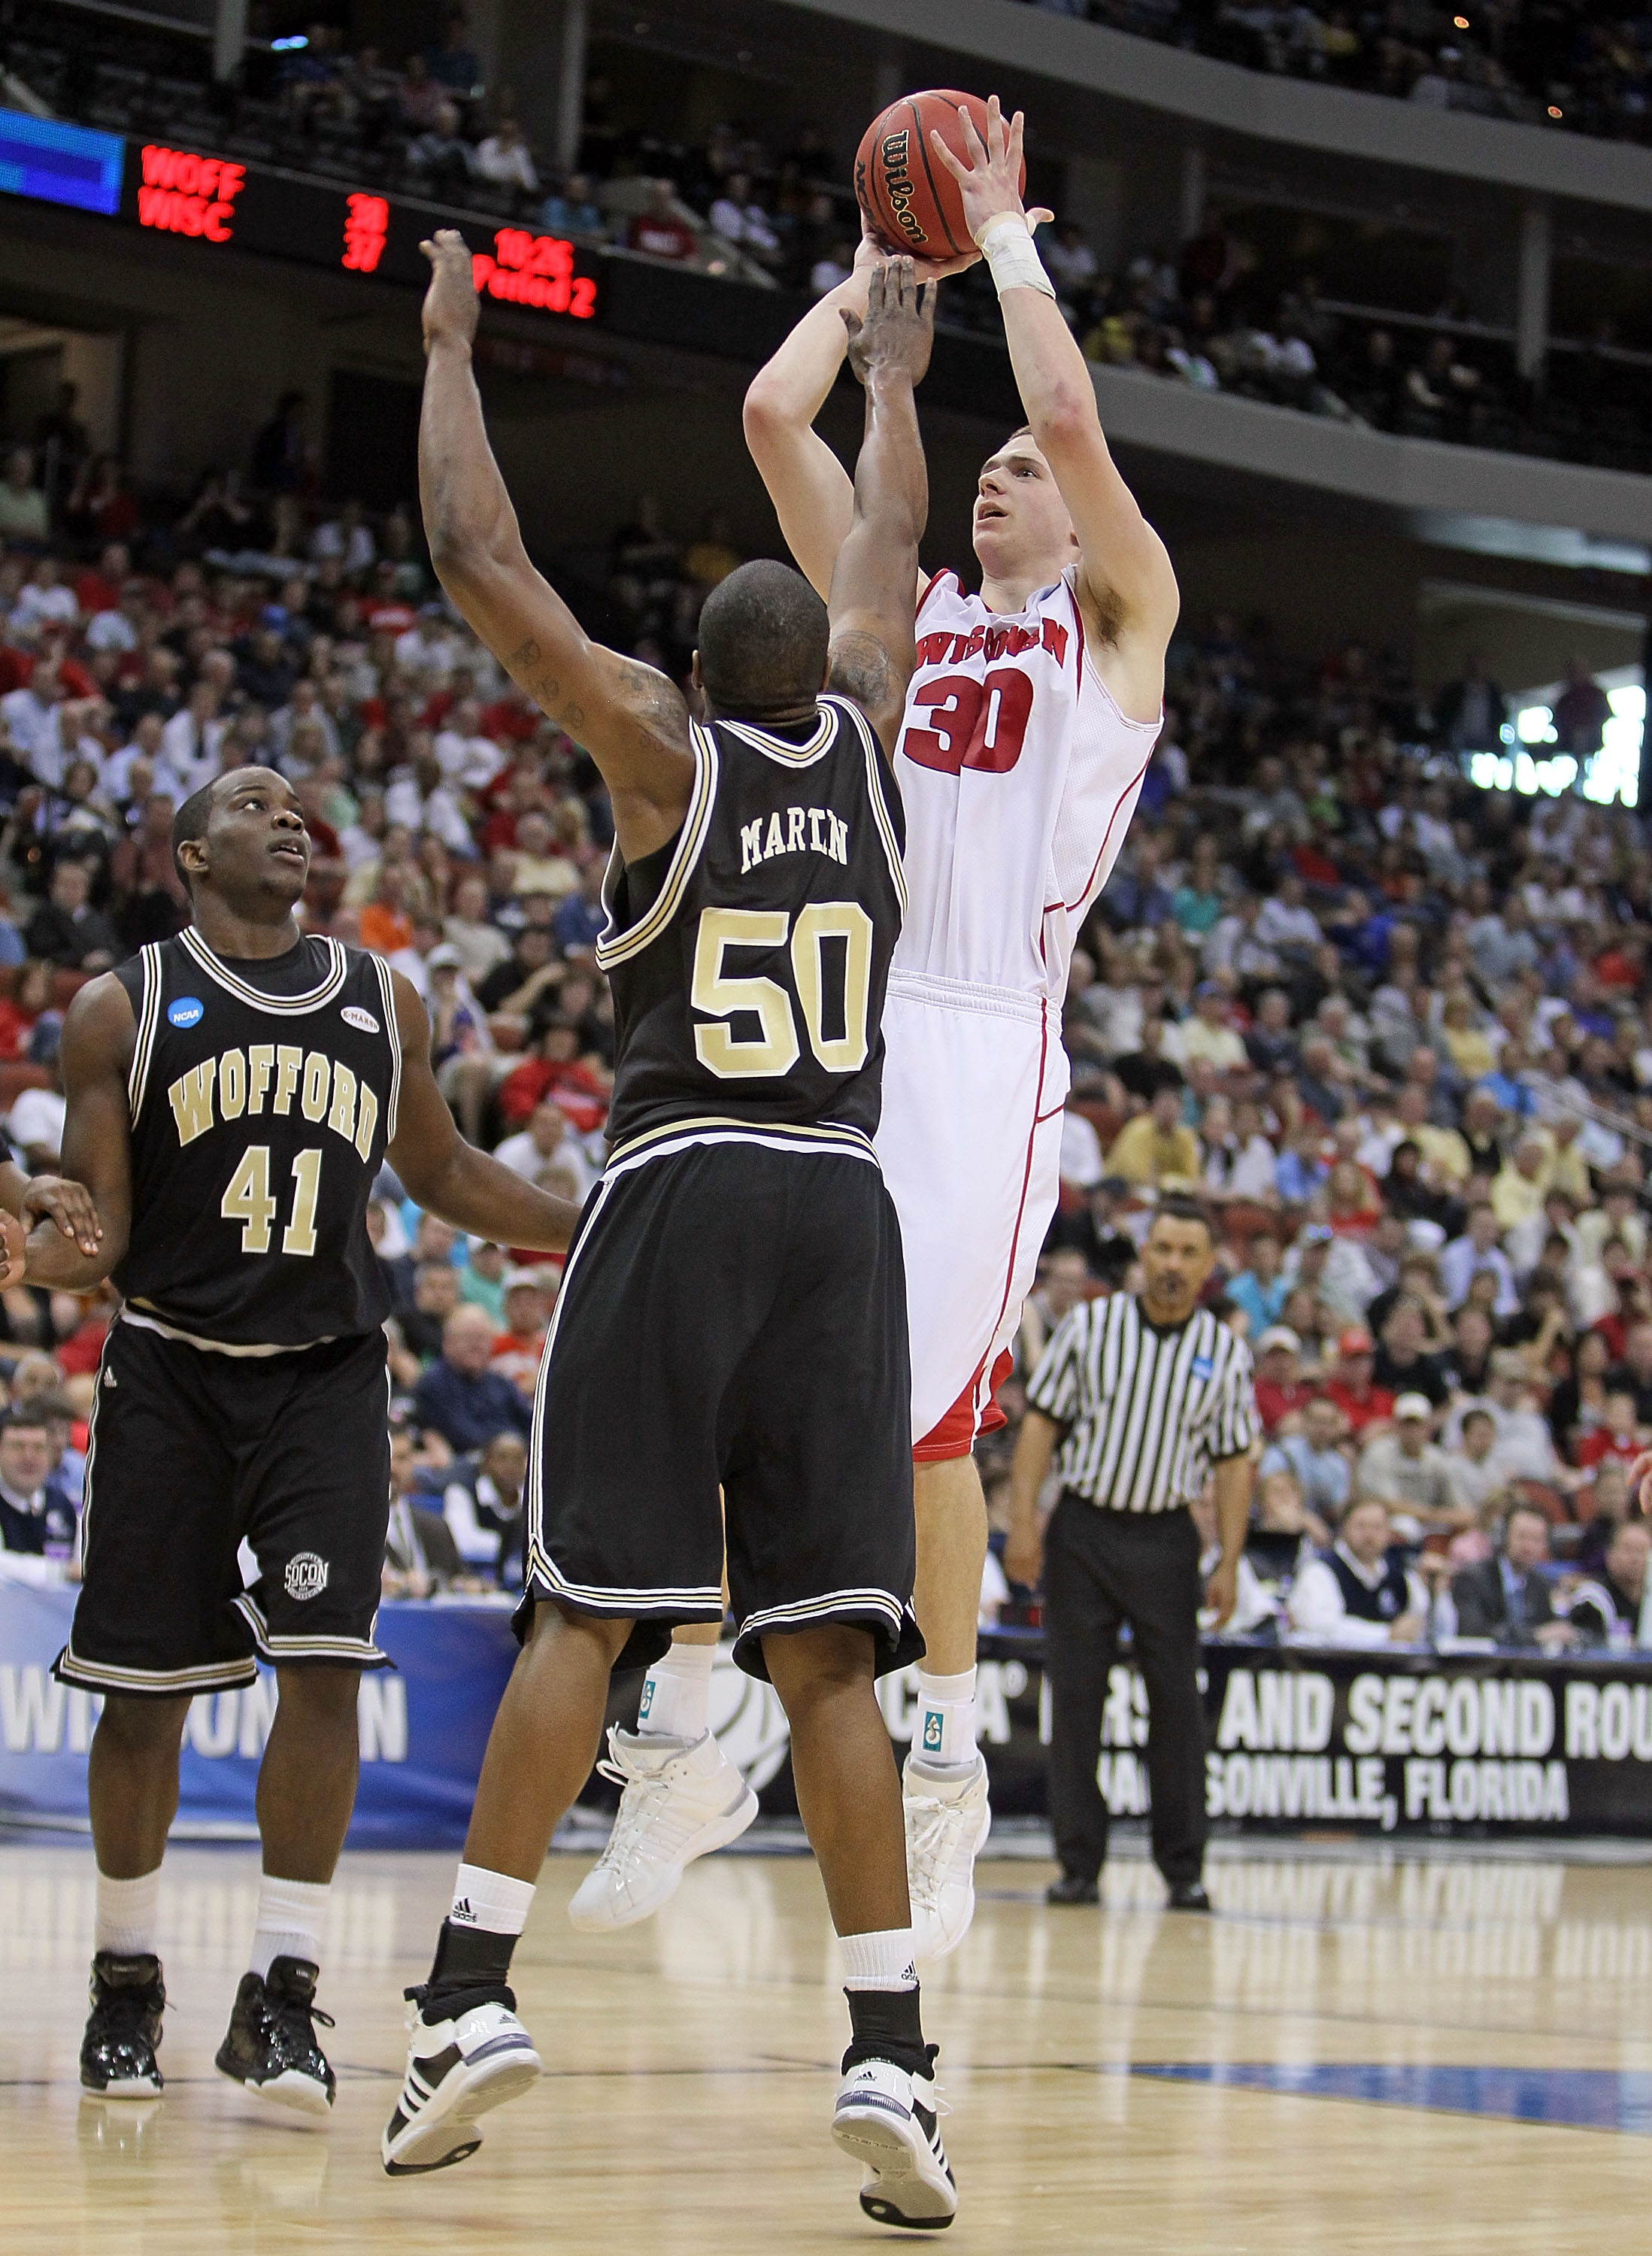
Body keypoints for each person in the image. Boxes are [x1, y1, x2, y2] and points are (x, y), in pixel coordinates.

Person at [381, 236, 957, 2229]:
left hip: (686, 1181)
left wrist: (453, 348)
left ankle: (466, 1998)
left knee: (586, 1608)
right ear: (818, 665)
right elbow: (884, 542)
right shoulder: (876, 745)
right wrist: (899, 374)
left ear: (701, 673)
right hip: (841, 1216)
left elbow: (479, 562)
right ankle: (890, 2054)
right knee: (829, 1669)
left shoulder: (653, 750)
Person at [592, 96, 1178, 1970]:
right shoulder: (901, 610)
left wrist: (1001, 236)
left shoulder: (1111, 629)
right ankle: (688, 1727)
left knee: (923, 1421)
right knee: (714, 1360)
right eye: (983, 466)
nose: (1003, 477)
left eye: (1023, 468)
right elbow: (769, 421)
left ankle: (938, 1760)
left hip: (977, 1035)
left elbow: (1074, 420)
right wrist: (869, 288)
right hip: (841, 1009)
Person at [15, 763, 578, 2115]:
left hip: (324, 1376)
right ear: (191, 855)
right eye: (256, 804)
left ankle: (283, 1991)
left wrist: (588, 1217)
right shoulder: (121, 1008)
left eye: (299, 809)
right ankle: (126, 1981)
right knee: (143, 1694)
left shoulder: (382, 997)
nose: (292, 821)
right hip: (171, 1375)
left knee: (323, 1674)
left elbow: (440, 1171)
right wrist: (36, 1252)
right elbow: (98, 1241)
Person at [1005, 1196, 1258, 1911]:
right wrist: (1023, 1524)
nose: (1171, 1264)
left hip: (1166, 1539)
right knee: (1077, 1705)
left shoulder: (1223, 1351)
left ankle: (1183, 1868)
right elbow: (1039, 1430)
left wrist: (1230, 1561)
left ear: (1207, 1267)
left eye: (1187, 1254)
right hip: (1083, 1531)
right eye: (1161, 1250)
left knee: (1177, 1709)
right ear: (1142, 1255)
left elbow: (1235, 1463)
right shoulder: (1092, 1326)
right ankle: (1078, 1866)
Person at [1285, 1498, 1432, 1648]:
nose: (1369, 1535)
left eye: (1377, 1527)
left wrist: (1437, 1594)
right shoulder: (1320, 1570)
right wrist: (1386, 1635)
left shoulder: (1401, 1574)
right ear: (1343, 1528)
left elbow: (1428, 1628)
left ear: (1388, 1533)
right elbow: (1319, 1626)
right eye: (1361, 1526)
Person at [1445, 1503, 1570, 1648]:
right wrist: (1534, 1636)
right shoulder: (1472, 1578)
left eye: (1536, 1540)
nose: (1528, 1546)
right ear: (1504, 1537)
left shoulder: (1541, 1584)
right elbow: (1473, 1632)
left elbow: (1550, 1628)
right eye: (1522, 1537)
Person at [414, 1302, 531, 1451]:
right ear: (447, 1343)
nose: (476, 1345)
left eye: (482, 1338)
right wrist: (508, 1443)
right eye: (467, 1337)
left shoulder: (501, 1383)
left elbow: (531, 1425)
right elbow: (462, 1436)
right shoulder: (434, 1383)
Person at [0, 1404, 79, 1582]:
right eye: (17, 1447)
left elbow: (84, 1567)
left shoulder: (64, 1505)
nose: (28, 1457)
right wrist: (62, 1572)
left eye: (38, 1448)